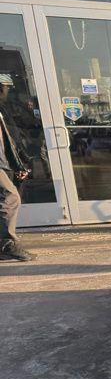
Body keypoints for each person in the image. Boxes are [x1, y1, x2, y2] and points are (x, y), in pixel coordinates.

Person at [0, 73, 33, 262]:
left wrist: (17, 163)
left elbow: (9, 140)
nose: (8, 92)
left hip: (4, 162)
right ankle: (7, 244)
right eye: (6, 88)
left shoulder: (4, 109)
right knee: (11, 197)